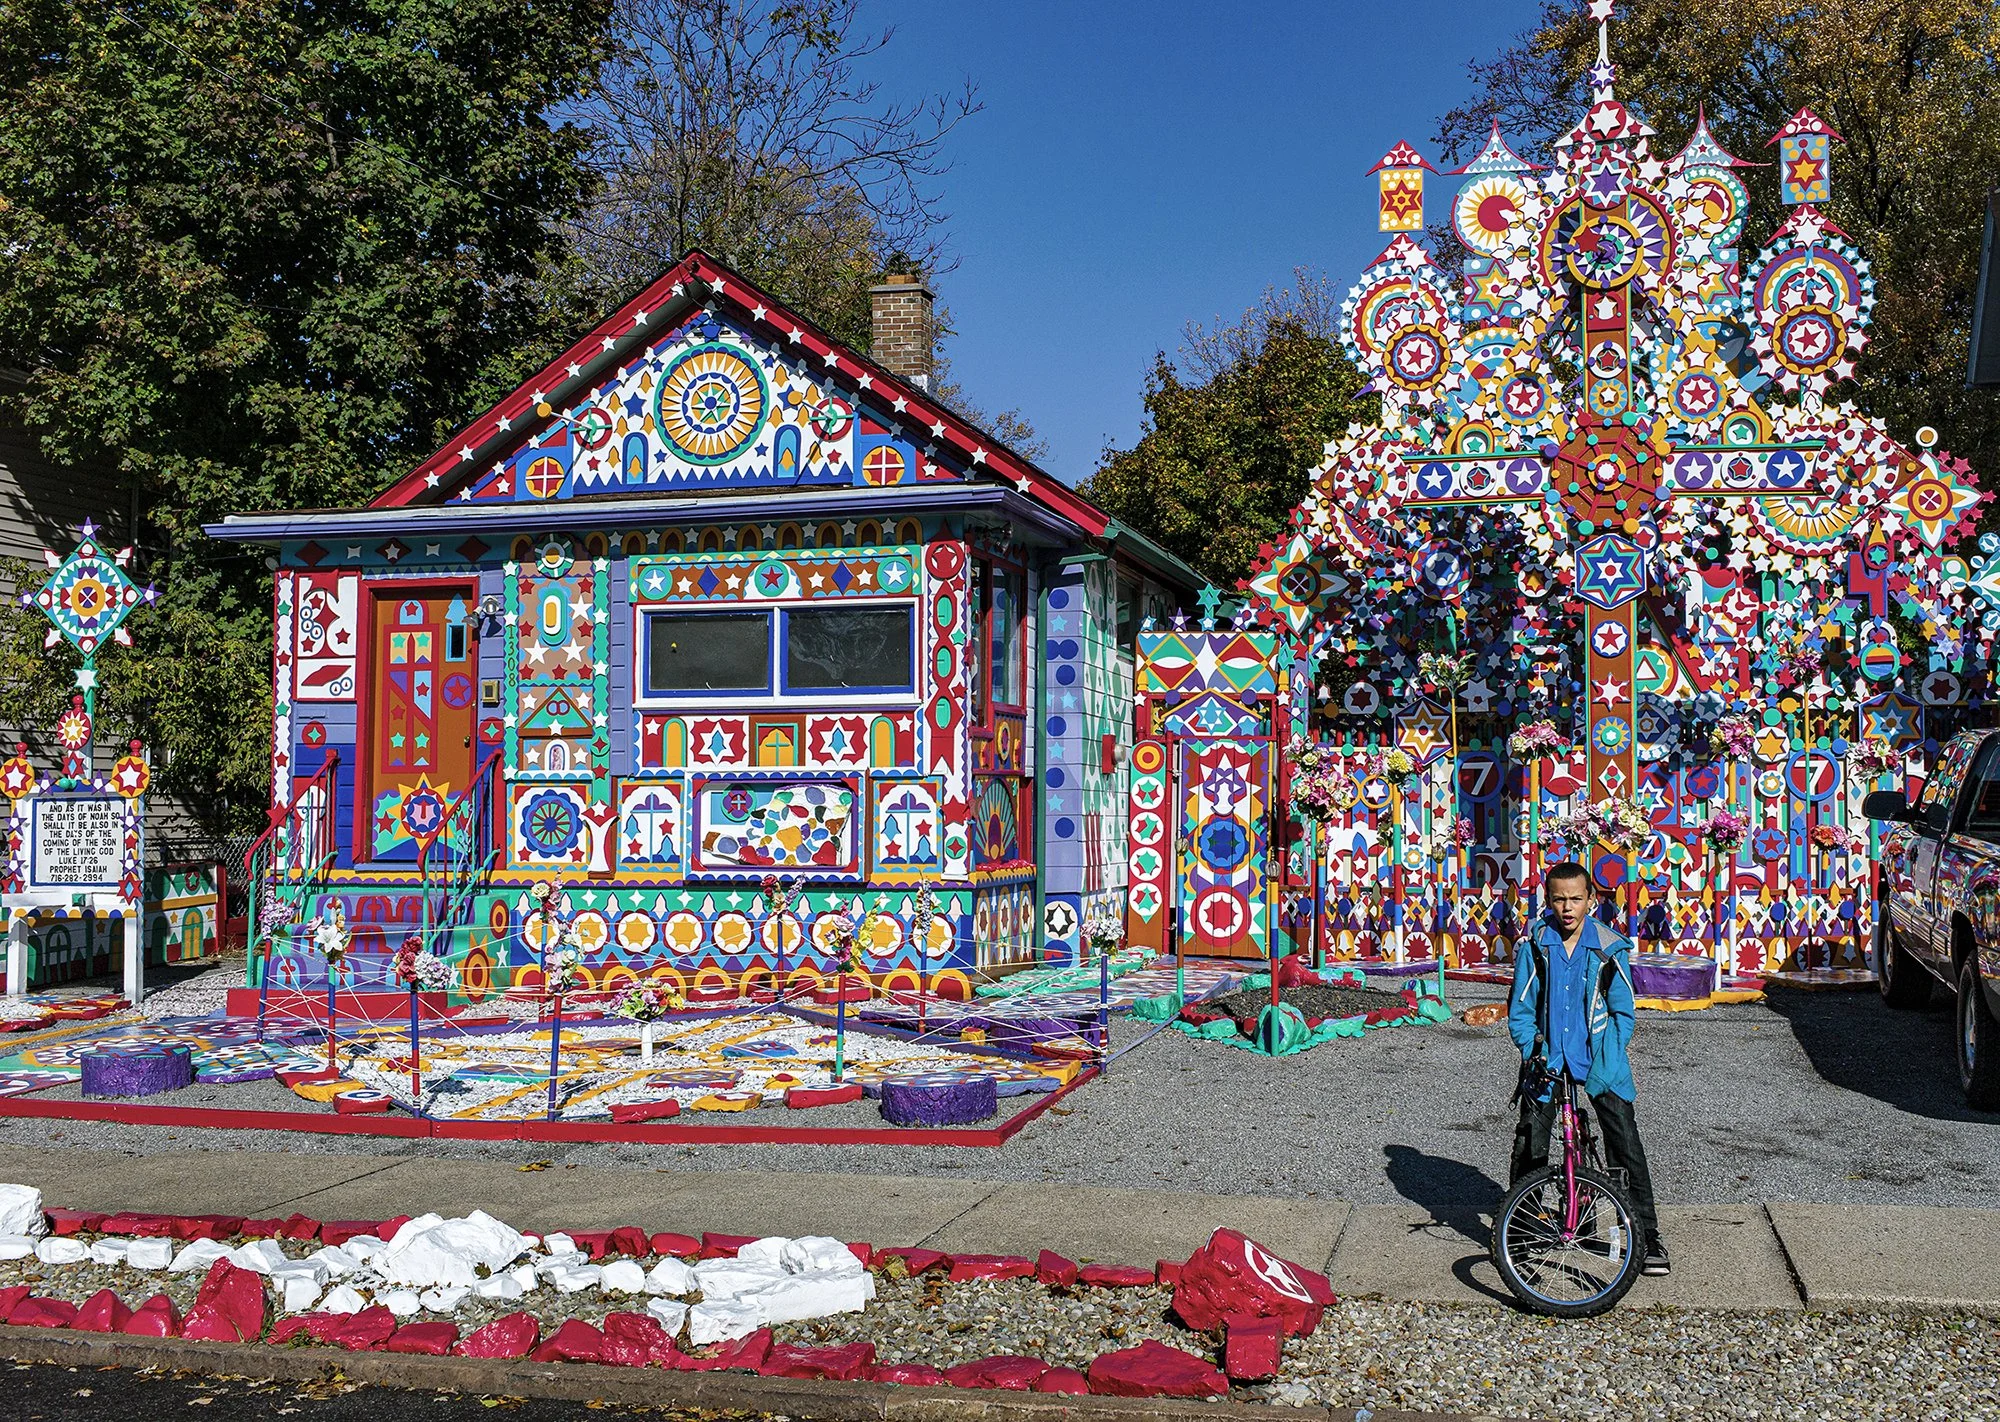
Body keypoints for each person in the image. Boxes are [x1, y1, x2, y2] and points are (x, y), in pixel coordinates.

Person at [1507, 860, 1669, 1276]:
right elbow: (1521, 1010)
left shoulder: (1608, 949)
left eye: (1576, 899)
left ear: (1591, 900)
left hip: (1599, 1061)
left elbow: (1623, 1013)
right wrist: (1532, 1048)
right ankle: (1522, 1230)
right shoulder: (1536, 946)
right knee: (1531, 1144)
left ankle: (1646, 1234)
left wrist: (1607, 1060)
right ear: (1547, 899)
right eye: (1559, 899)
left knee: (1625, 1144)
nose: (1567, 907)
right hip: (1548, 1061)